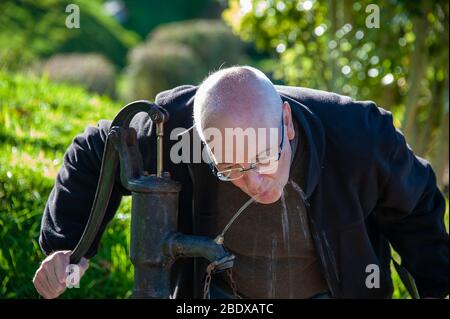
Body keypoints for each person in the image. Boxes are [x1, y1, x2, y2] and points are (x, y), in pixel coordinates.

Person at [33, 66, 448, 299]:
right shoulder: (173, 129)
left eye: (265, 159)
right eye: (229, 168)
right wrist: (69, 247)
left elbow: (416, 208)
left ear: (286, 122)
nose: (255, 182)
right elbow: (97, 151)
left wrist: (437, 287)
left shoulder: (360, 136)